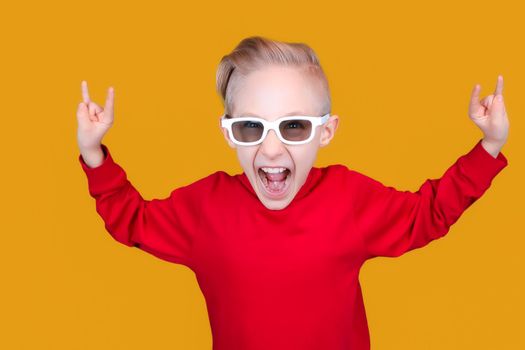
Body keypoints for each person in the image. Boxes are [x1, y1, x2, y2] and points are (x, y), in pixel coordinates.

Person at [77, 36, 509, 350]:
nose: (270, 147)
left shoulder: (349, 199)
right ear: (228, 134)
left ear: (326, 132)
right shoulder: (206, 209)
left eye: (294, 126)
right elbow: (132, 221)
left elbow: (425, 215)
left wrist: (488, 146)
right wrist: (93, 152)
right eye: (250, 126)